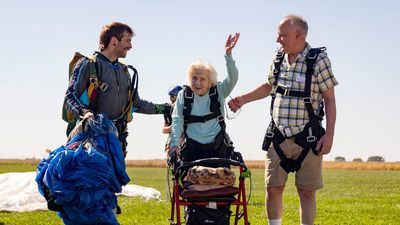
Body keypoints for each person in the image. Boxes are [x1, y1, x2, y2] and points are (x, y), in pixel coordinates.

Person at [228, 15, 338, 225]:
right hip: (277, 135)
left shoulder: (318, 60)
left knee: (306, 192)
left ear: (299, 35)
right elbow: (269, 86)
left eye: (282, 35)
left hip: (309, 137)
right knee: (273, 188)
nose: (278, 40)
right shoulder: (278, 57)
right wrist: (243, 99)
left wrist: (330, 134)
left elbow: (330, 100)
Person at [65, 22, 170, 158]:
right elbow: (70, 96)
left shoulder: (125, 71)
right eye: (128, 40)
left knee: (115, 179)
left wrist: (167, 108)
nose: (131, 46)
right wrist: (85, 113)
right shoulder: (88, 65)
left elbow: (136, 105)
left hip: (117, 142)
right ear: (114, 41)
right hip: (90, 141)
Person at [169, 33, 240, 163]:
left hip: (217, 148)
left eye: (202, 79)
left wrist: (228, 55)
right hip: (191, 148)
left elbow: (233, 78)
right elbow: (177, 120)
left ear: (210, 82)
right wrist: (174, 144)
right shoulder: (183, 96)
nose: (197, 83)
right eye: (194, 78)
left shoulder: (219, 91)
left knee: (222, 182)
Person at [162, 85, 183, 152]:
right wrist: (174, 127)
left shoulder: (188, 108)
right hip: (174, 140)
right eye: (170, 97)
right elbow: (164, 130)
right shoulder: (168, 110)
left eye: (172, 97)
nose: (171, 99)